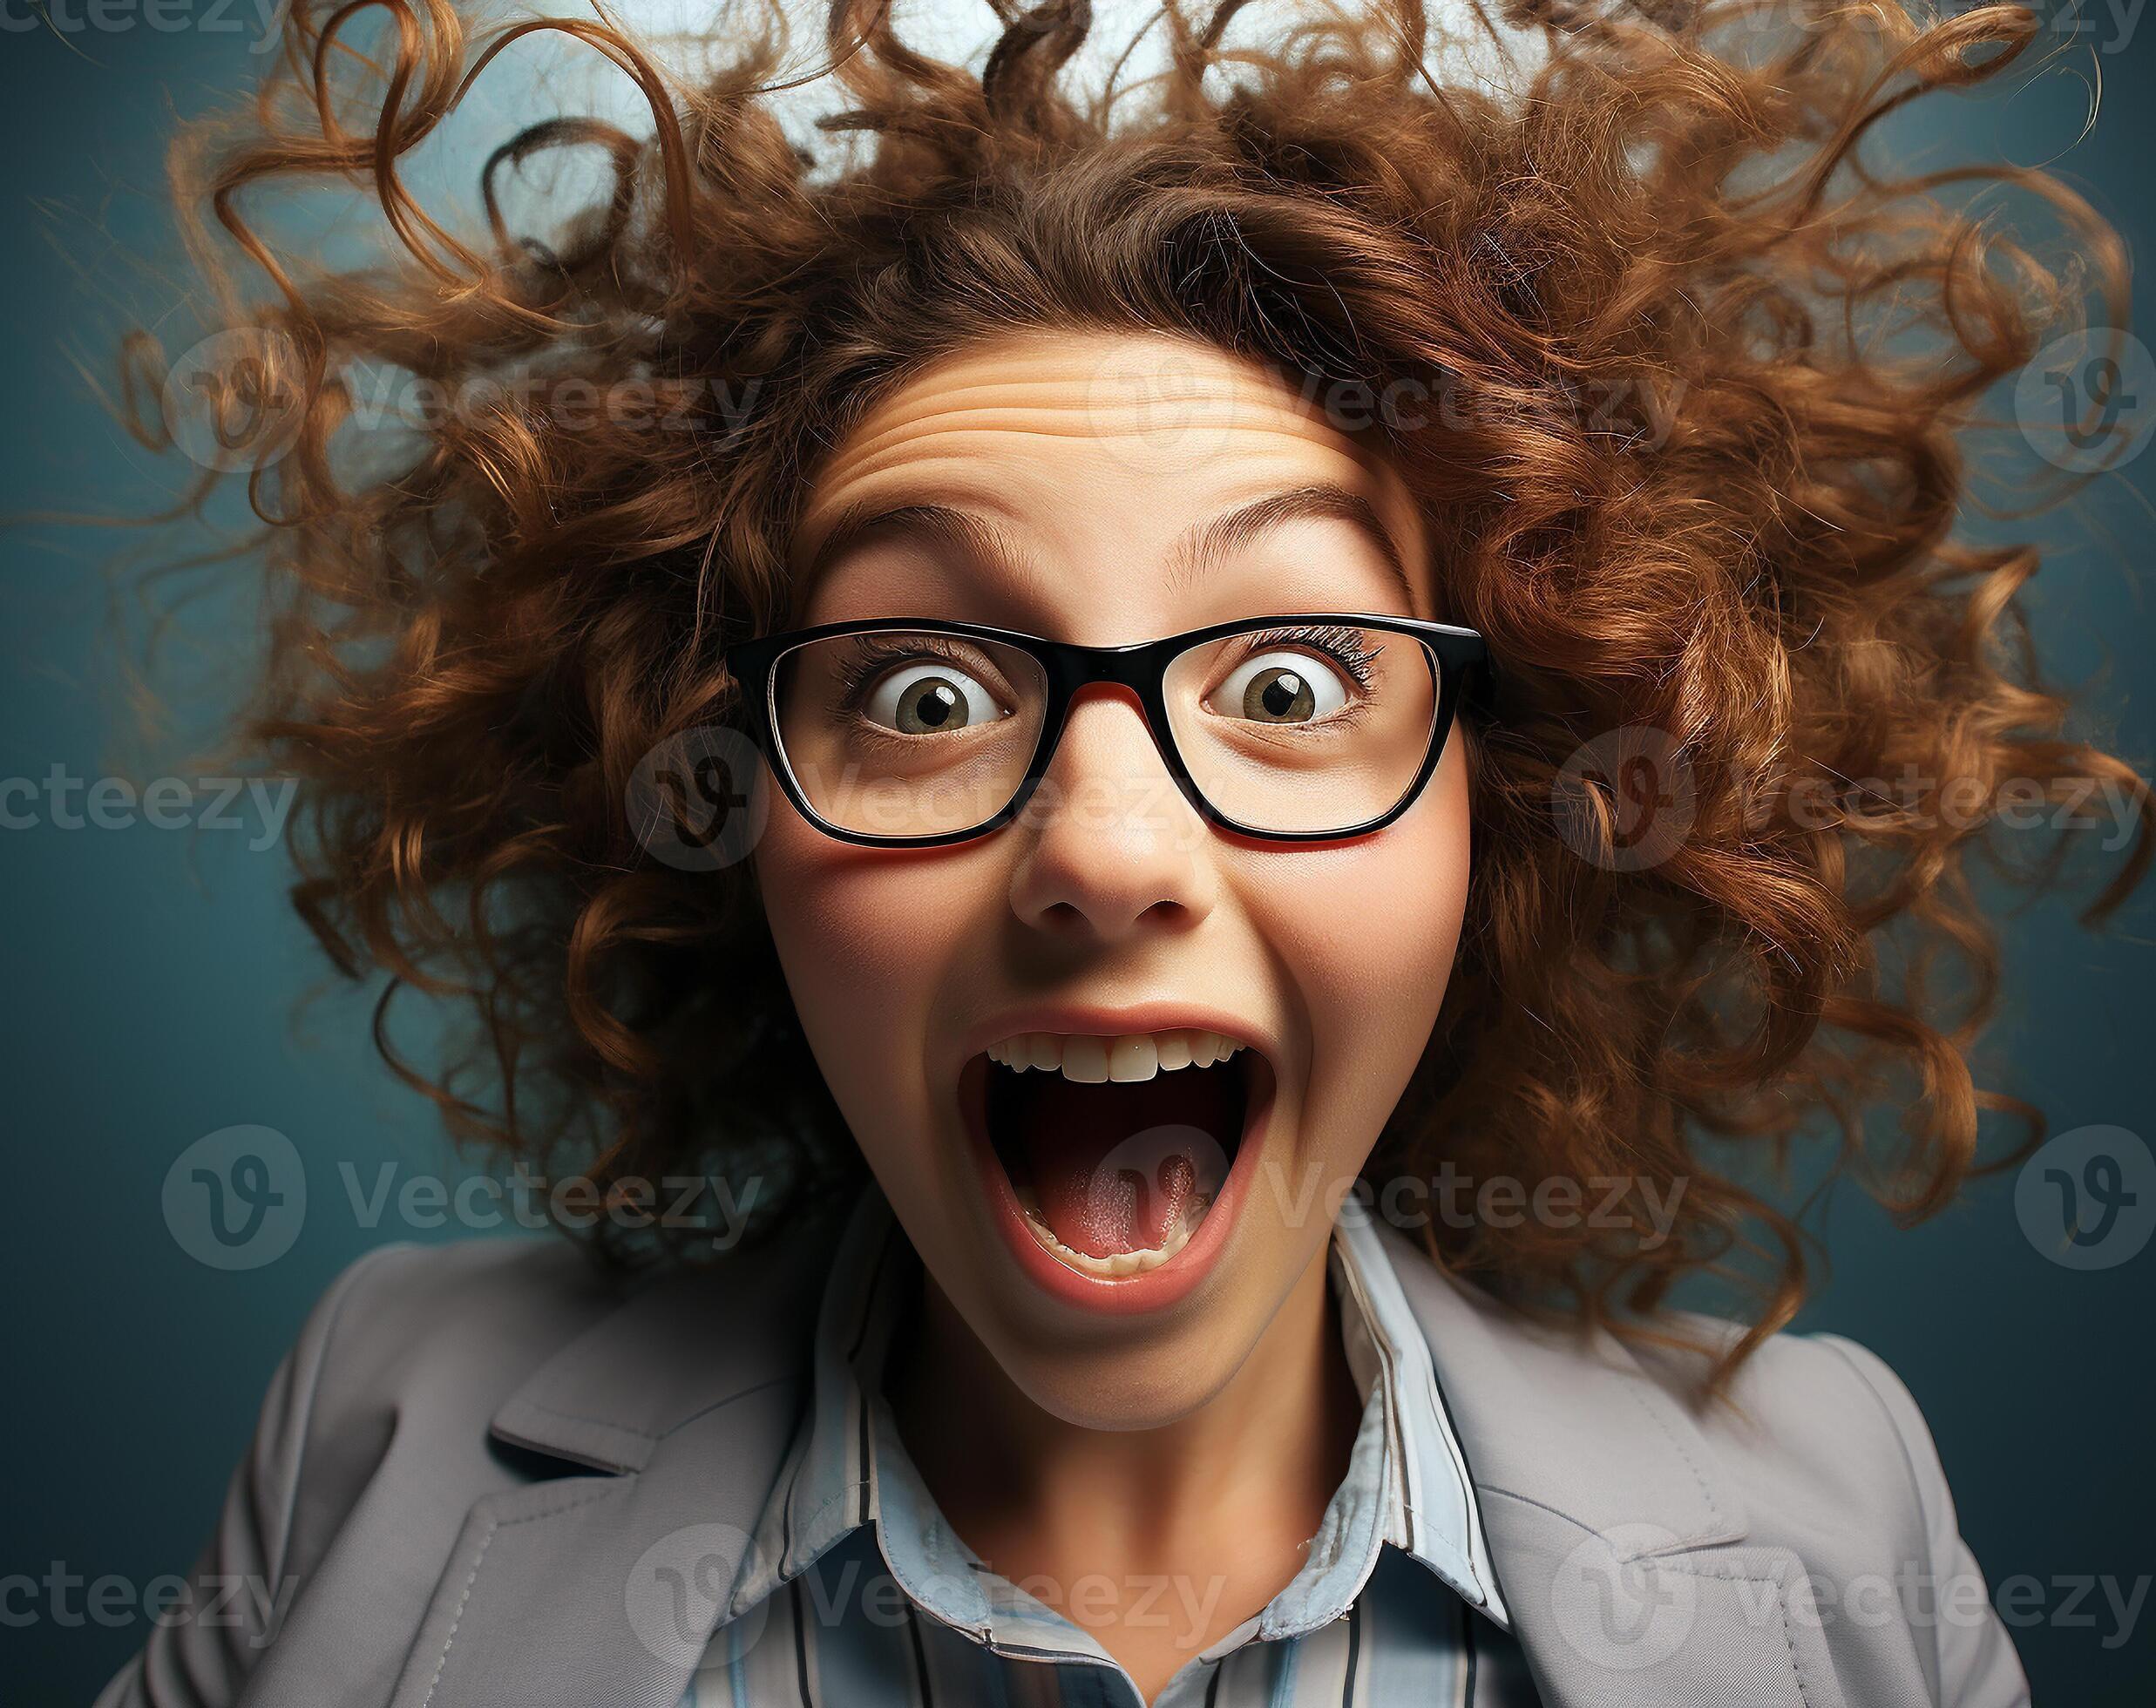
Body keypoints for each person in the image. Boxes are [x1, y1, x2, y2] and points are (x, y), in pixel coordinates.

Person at [98, 0, 2147, 1702]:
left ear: (1493, 809)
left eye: (1285, 686)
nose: (1100, 850)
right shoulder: (386, 1421)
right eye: (918, 692)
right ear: (727, 813)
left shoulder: (1835, 1512)